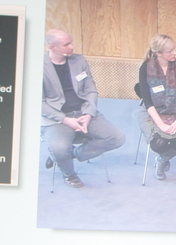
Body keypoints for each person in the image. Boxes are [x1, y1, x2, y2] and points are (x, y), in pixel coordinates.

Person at [42, 29, 126, 188]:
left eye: (71, 42)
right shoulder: (39, 66)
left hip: (82, 112)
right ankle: (69, 174)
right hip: (58, 118)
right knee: (59, 149)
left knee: (117, 138)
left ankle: (72, 154)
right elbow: (38, 103)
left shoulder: (79, 61)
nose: (72, 47)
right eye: (66, 44)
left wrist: (88, 114)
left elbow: (90, 90)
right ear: (52, 48)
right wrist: (65, 120)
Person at [138, 34, 176, 181]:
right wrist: (161, 124)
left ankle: (162, 160)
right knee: (159, 143)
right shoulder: (146, 68)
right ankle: (163, 155)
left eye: (174, 49)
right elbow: (147, 101)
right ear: (159, 53)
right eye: (170, 51)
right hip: (154, 113)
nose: (174, 53)